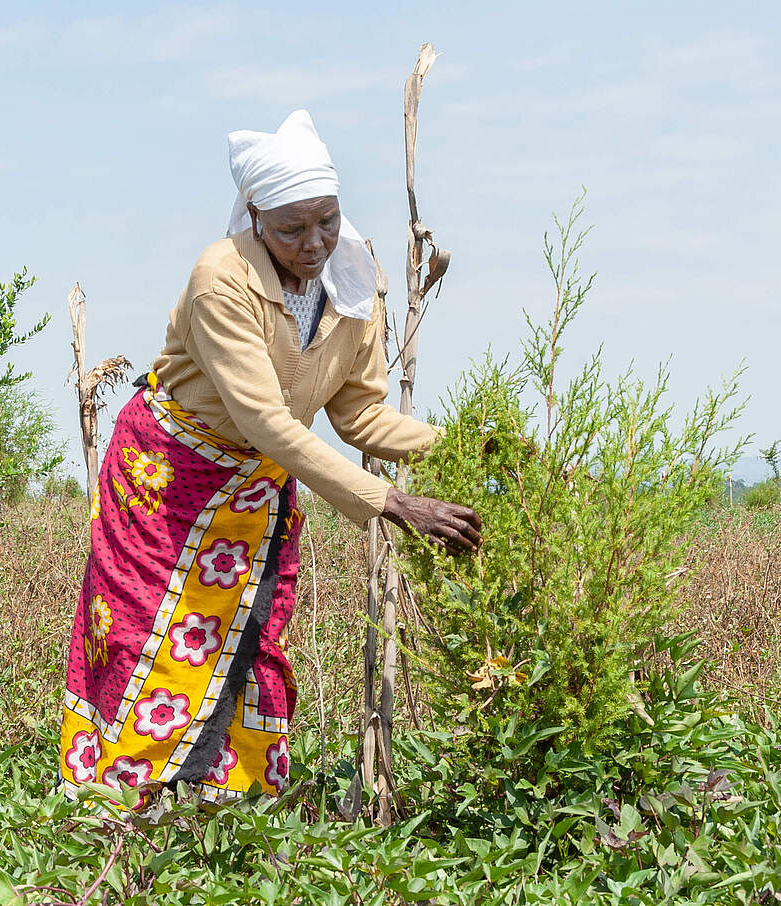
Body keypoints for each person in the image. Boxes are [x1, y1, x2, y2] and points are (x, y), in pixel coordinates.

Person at [59, 110, 481, 808]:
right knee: (145, 635)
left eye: (328, 221)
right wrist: (391, 504)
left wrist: (462, 445)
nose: (314, 243)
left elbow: (358, 414)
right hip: (166, 480)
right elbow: (262, 417)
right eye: (291, 229)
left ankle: (225, 804)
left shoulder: (354, 282)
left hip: (253, 490)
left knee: (245, 644)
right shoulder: (220, 280)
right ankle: (124, 807)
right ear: (254, 217)